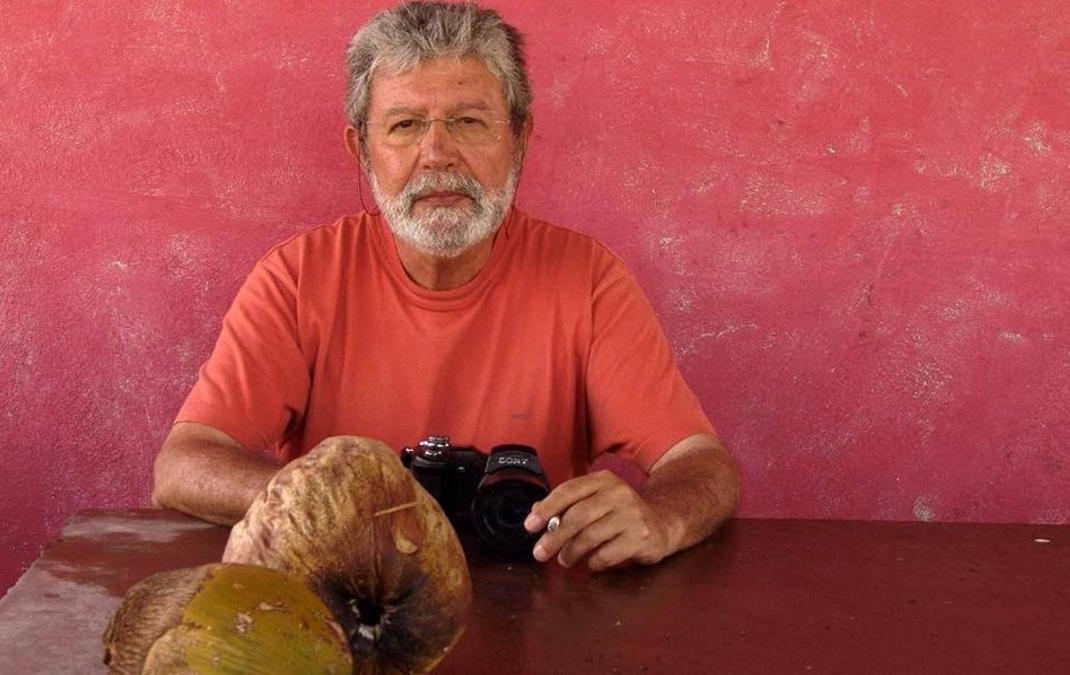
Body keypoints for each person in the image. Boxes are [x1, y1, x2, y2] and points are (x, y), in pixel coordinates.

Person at [153, 0, 738, 572]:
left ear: (519, 137)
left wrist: (661, 517)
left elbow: (699, 461)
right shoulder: (300, 277)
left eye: (468, 121)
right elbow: (183, 467)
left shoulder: (587, 280)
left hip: (535, 613)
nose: (437, 154)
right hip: (349, 602)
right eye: (405, 125)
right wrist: (346, 501)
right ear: (363, 150)